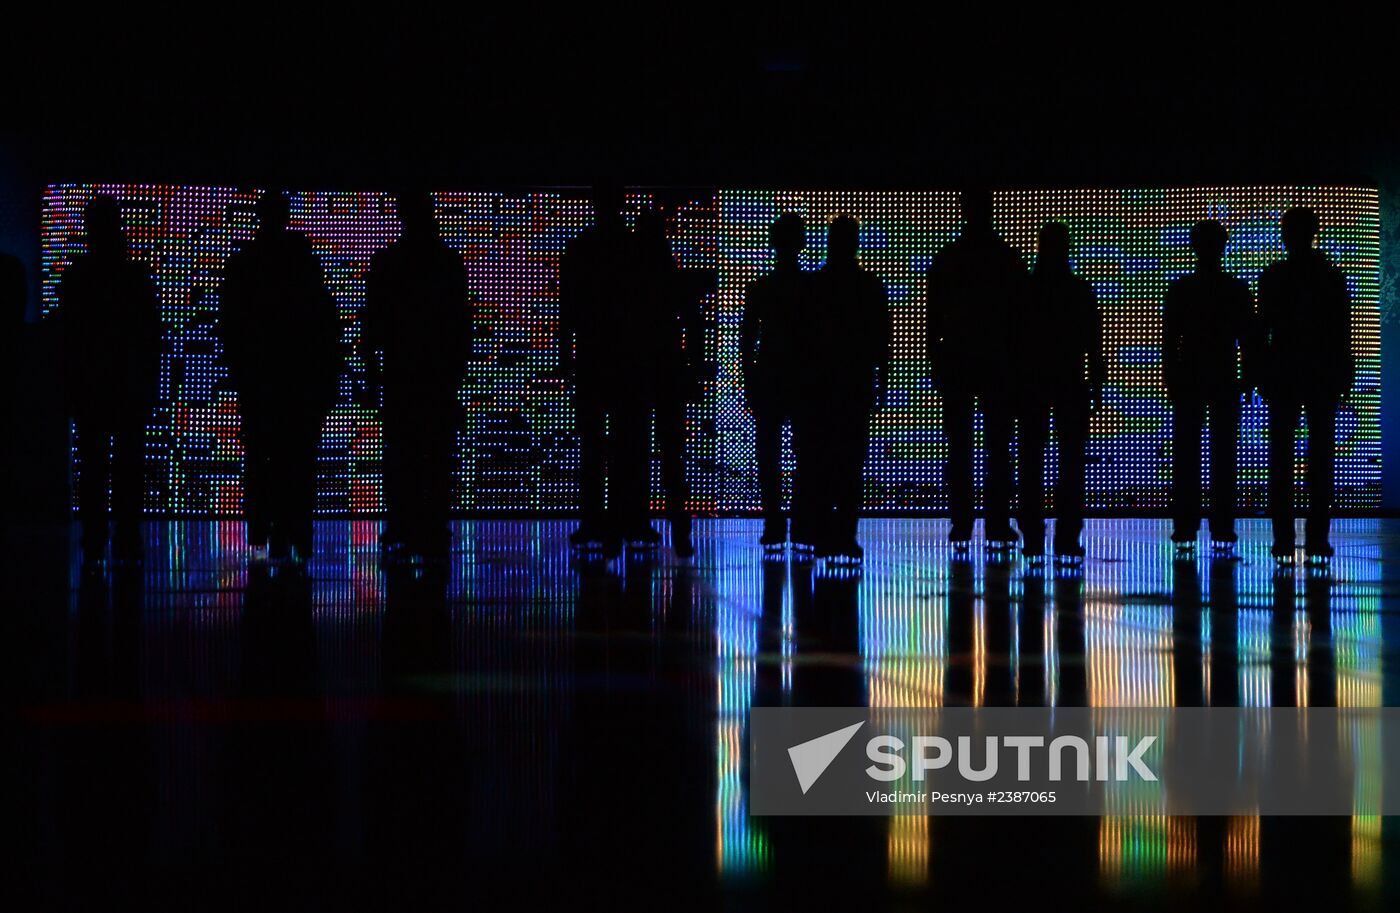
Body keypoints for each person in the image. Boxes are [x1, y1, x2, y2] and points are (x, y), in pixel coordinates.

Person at [220, 190, 341, 563]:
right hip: (299, 383)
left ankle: (262, 529)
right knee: (298, 459)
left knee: (262, 456)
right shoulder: (303, 266)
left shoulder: (245, 264)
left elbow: (230, 325)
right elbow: (325, 327)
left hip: (261, 380)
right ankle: (294, 531)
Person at [362, 191, 472, 563]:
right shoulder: (446, 262)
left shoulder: (390, 262)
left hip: (401, 376)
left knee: (403, 454)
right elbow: (461, 325)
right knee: (435, 454)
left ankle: (404, 527)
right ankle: (432, 526)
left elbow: (371, 325)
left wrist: (373, 373)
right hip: (435, 376)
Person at [56, 196, 162, 564]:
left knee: (95, 462)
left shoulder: (78, 278)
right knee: (126, 463)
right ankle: (125, 533)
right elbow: (151, 336)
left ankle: (97, 534)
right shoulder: (134, 277)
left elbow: (66, 336)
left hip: (92, 387)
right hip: (126, 386)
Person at [925, 189, 1026, 550]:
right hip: (997, 361)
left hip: (958, 359)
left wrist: (935, 359)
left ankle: (963, 522)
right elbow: (1019, 319)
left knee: (961, 445)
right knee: (998, 445)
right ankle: (996, 522)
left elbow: (933, 318)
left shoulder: (949, 258)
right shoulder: (1007, 258)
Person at [1257, 207, 1352, 562]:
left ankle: (1284, 541)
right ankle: (1315, 540)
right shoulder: (1330, 276)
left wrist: (1260, 372)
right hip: (1319, 373)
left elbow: (1261, 330)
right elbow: (1342, 330)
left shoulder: (1275, 276)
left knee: (1281, 457)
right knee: (1319, 456)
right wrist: (1344, 370)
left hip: (1286, 373)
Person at [795, 215, 890, 564]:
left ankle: (823, 534)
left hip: (820, 386)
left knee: (822, 461)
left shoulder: (814, 286)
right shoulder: (867, 285)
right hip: (852, 384)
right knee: (849, 463)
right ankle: (844, 535)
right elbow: (883, 337)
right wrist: (881, 379)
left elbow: (800, 339)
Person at [558, 181, 643, 558]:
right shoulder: (633, 247)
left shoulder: (581, 248)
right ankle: (624, 521)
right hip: (625, 359)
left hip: (595, 357)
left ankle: (595, 522)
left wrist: (567, 352)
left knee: (594, 446)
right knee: (626, 445)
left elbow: (569, 305)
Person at [1162, 219, 1258, 553]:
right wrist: (1247, 377)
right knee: (1223, 455)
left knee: (1187, 454)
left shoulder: (1181, 289)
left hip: (1191, 375)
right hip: (1222, 376)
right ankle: (1222, 528)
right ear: (1224, 246)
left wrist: (1171, 375)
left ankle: (1185, 527)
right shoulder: (1236, 289)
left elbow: (1170, 340)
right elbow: (1248, 339)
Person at [1012, 222, 1103, 561]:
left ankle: (1033, 536)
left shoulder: (1026, 290)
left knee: (1031, 459)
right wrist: (1095, 382)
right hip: (1069, 381)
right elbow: (1093, 341)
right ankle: (1066, 536)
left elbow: (1014, 340)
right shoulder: (1078, 290)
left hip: (1032, 383)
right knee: (1070, 462)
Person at [631, 206, 705, 558]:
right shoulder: (673, 279)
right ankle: (679, 528)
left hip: (640, 371)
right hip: (669, 372)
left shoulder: (631, 281)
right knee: (672, 453)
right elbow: (693, 325)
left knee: (637, 449)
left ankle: (638, 523)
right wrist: (692, 368)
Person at [739, 213, 806, 549]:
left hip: (770, 377)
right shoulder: (810, 289)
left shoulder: (761, 288)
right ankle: (801, 522)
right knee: (804, 453)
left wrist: (749, 379)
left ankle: (775, 522)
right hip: (802, 378)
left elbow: (747, 340)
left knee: (770, 453)